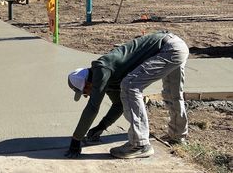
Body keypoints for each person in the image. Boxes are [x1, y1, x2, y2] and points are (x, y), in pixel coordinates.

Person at [65, 31, 189, 159]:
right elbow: (119, 104)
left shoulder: (102, 70)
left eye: (85, 93)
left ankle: (139, 144)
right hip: (176, 46)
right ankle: (177, 136)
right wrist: (101, 126)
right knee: (172, 94)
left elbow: (92, 107)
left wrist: (76, 139)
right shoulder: (107, 76)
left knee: (130, 86)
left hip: (167, 49)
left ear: (87, 84)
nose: (86, 95)